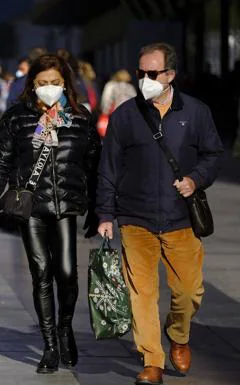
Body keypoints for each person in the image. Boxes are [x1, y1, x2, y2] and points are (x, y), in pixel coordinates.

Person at [96, 43, 224, 385]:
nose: (145, 80)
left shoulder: (196, 113)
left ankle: (179, 335)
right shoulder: (126, 115)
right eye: (141, 73)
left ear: (170, 75)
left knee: (188, 292)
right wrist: (105, 214)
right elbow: (107, 168)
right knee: (142, 295)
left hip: (181, 220)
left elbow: (213, 156)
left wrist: (195, 180)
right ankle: (152, 360)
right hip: (135, 219)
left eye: (152, 74)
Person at [0, 54, 100, 374]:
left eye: (55, 83)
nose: (49, 89)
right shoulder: (17, 117)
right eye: (43, 83)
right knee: (41, 272)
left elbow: (94, 163)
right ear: (32, 85)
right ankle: (49, 345)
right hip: (30, 205)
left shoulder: (79, 117)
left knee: (68, 273)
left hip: (65, 205)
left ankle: (64, 327)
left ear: (66, 85)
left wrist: (99, 207)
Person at [97, 69, 137, 138]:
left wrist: (105, 112)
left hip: (115, 115)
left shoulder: (111, 85)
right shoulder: (130, 87)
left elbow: (106, 100)